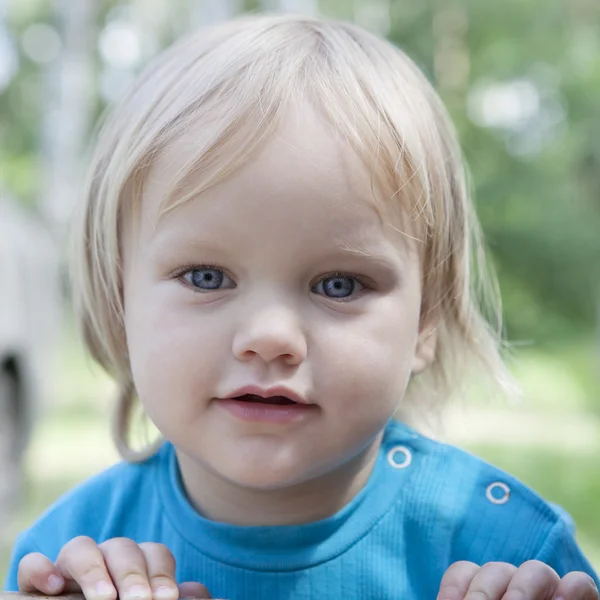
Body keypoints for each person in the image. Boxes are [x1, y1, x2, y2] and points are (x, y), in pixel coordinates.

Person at [4, 13, 599, 600]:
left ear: (426, 320)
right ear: (120, 298)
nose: (269, 336)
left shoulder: (511, 557)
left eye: (338, 285)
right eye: (206, 276)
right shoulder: (68, 567)